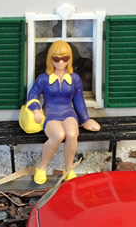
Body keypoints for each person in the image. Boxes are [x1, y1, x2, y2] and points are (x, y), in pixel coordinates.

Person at [27, 40, 100, 184]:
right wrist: (36, 109)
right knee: (58, 135)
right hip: (50, 112)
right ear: (50, 59)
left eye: (65, 58)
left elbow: (79, 100)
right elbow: (32, 95)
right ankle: (42, 167)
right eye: (56, 58)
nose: (61, 62)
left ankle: (68, 169)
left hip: (68, 112)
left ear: (70, 59)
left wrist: (85, 119)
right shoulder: (43, 79)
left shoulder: (74, 78)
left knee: (72, 134)